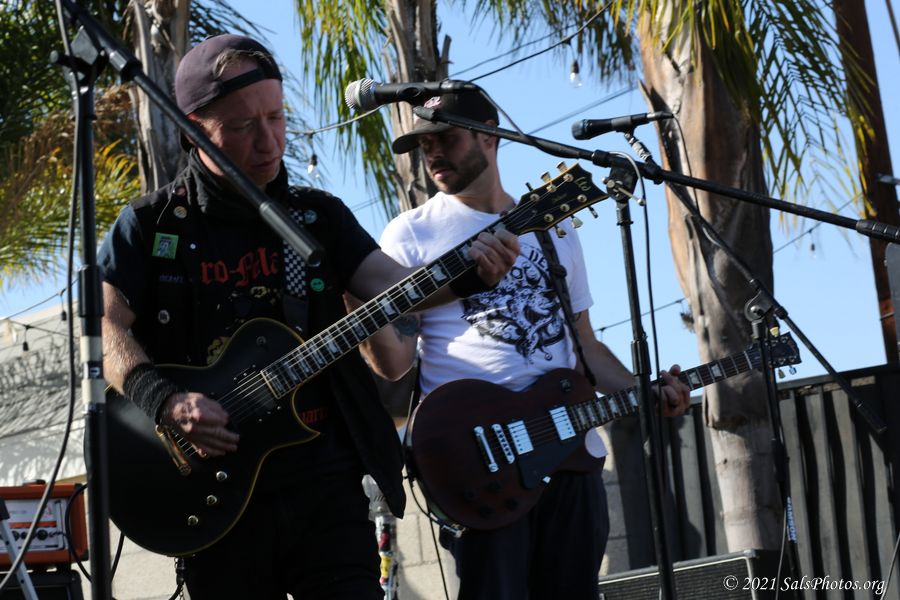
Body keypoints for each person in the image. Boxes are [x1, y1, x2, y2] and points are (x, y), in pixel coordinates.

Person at [97, 34, 518, 599]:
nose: (269, 141)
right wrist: (165, 402)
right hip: (215, 498)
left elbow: (394, 288)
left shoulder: (317, 217)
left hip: (326, 486)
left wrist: (470, 275)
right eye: (244, 126)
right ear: (194, 131)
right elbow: (104, 325)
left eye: (276, 117)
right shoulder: (151, 226)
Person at [358, 92, 693, 600]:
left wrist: (643, 390)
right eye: (424, 145)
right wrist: (359, 306)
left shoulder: (554, 225)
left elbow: (584, 344)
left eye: (445, 138)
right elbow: (395, 362)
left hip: (570, 450)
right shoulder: (411, 233)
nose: (433, 153)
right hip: (480, 459)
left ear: (489, 136)